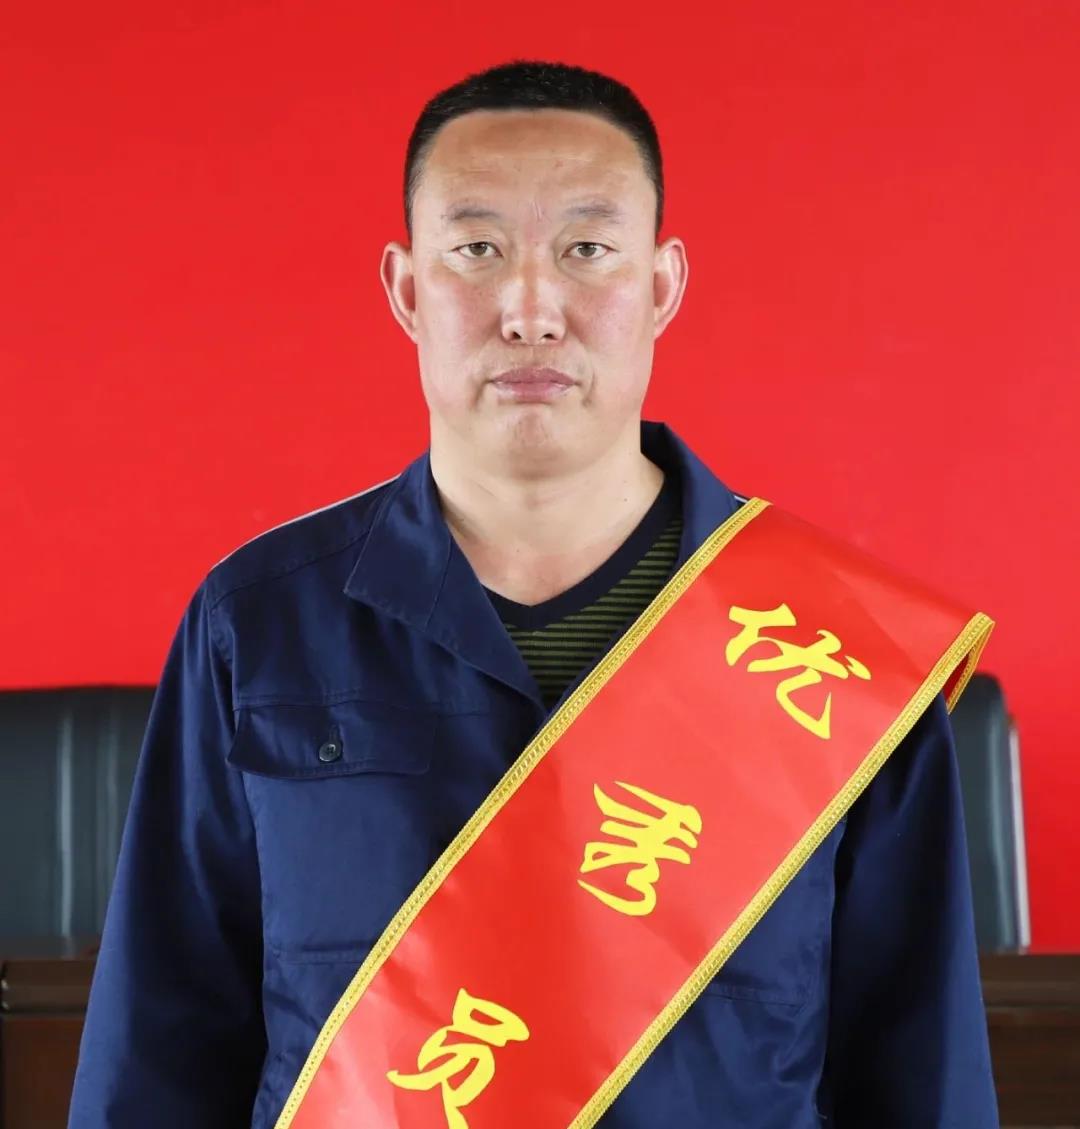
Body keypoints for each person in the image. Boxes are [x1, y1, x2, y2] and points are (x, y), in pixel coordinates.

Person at [68, 59, 999, 1128]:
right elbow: (161, 1054)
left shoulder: (831, 652)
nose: (530, 310)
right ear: (406, 290)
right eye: (477, 250)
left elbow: (922, 1076)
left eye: (586, 250)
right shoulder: (260, 626)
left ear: (663, 286)